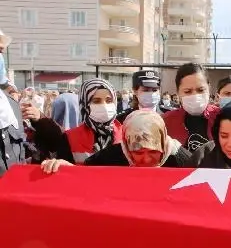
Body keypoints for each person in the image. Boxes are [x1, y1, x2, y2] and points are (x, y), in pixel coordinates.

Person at [41, 110, 190, 172]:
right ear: (126, 145)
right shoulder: (111, 156)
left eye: (153, 151)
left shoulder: (182, 160)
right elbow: (84, 174)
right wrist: (65, 167)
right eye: (137, 152)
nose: (146, 159)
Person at [51, 78, 122, 164]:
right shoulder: (70, 137)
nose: (104, 105)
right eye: (96, 101)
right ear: (85, 105)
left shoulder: (127, 134)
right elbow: (65, 173)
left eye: (109, 100)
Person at [162, 62, 219, 152]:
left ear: (209, 88)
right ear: (178, 93)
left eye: (200, 90)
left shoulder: (221, 117)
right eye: (188, 91)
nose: (195, 96)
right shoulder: (166, 121)